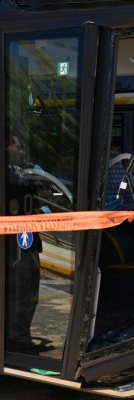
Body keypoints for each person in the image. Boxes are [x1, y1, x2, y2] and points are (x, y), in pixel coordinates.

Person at [4, 134, 45, 353]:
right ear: (6, 147)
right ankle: (17, 339)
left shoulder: (24, 175)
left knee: (29, 292)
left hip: (27, 243)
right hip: (15, 246)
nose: (21, 151)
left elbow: (36, 207)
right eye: (17, 146)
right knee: (20, 291)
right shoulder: (10, 176)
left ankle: (19, 335)